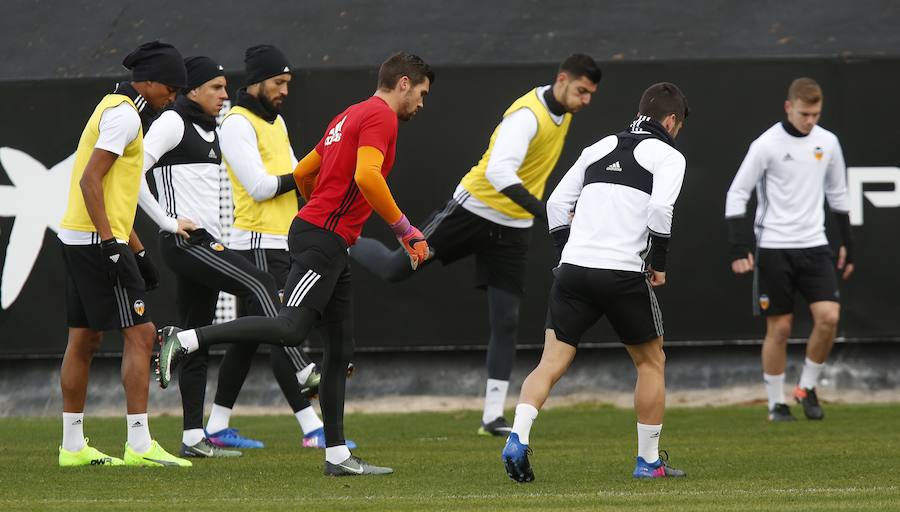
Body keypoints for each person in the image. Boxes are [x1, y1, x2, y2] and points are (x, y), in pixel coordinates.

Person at [157, 51, 434, 476]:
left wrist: (321, 211)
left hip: (328, 238)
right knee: (290, 327)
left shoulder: (348, 115)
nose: (421, 104)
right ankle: (188, 338)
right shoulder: (381, 118)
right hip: (322, 238)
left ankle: (337, 455)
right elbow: (367, 176)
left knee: (340, 350)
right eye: (421, 93)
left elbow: (306, 171)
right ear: (402, 84)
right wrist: (405, 230)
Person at [350, 54, 601, 436]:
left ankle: (492, 417)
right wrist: (546, 210)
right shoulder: (528, 115)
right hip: (473, 211)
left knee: (506, 320)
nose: (585, 100)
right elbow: (500, 172)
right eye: (582, 91)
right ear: (562, 79)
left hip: (512, 227)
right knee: (394, 269)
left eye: (590, 94)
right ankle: (344, 239)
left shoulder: (563, 114)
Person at [138, 55, 332, 457]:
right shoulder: (173, 122)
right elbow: (133, 170)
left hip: (203, 241)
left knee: (197, 337)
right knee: (260, 282)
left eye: (226, 87)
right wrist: (167, 222)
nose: (225, 94)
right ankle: (302, 368)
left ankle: (193, 437)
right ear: (192, 90)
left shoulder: (213, 130)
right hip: (186, 242)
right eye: (215, 88)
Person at [502, 83, 690, 482]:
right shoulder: (669, 155)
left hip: (573, 269)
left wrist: (564, 252)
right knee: (651, 362)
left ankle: (517, 436)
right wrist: (660, 262)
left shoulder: (600, 146)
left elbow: (555, 203)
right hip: (622, 271)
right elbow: (660, 206)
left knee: (551, 361)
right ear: (671, 121)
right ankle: (648, 462)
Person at [57, 41, 191, 467]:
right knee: (142, 334)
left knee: (84, 338)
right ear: (147, 81)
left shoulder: (114, 106)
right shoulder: (126, 117)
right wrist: (113, 244)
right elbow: (90, 183)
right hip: (97, 242)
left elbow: (112, 193)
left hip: (79, 237)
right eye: (169, 87)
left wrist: (138, 248)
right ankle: (139, 445)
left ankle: (73, 448)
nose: (173, 96)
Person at [725, 78, 854, 422]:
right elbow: (737, 194)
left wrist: (847, 247)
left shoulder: (828, 142)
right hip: (774, 247)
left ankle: (806, 387)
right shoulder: (766, 144)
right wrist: (739, 246)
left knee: (829, 317)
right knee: (779, 330)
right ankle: (775, 404)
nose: (810, 120)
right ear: (789, 107)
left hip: (815, 245)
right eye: (804, 113)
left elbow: (839, 195)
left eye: (816, 114)